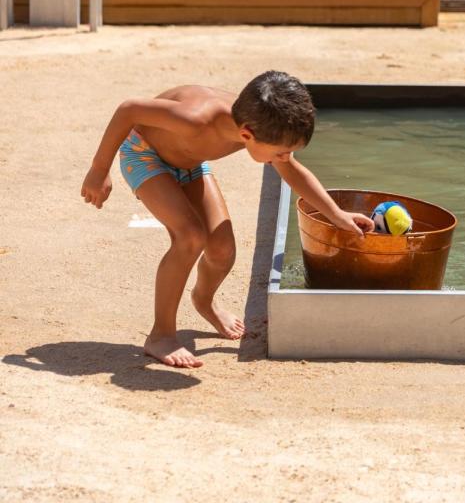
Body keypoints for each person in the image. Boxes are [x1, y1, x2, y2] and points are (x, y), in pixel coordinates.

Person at [80, 71, 375, 368]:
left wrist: (337, 215)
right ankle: (161, 335)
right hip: (145, 155)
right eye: (282, 153)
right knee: (190, 236)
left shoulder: (258, 123)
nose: (285, 158)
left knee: (222, 250)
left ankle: (204, 300)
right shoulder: (195, 119)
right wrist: (98, 168)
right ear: (247, 135)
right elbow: (129, 109)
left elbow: (292, 172)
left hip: (190, 162)